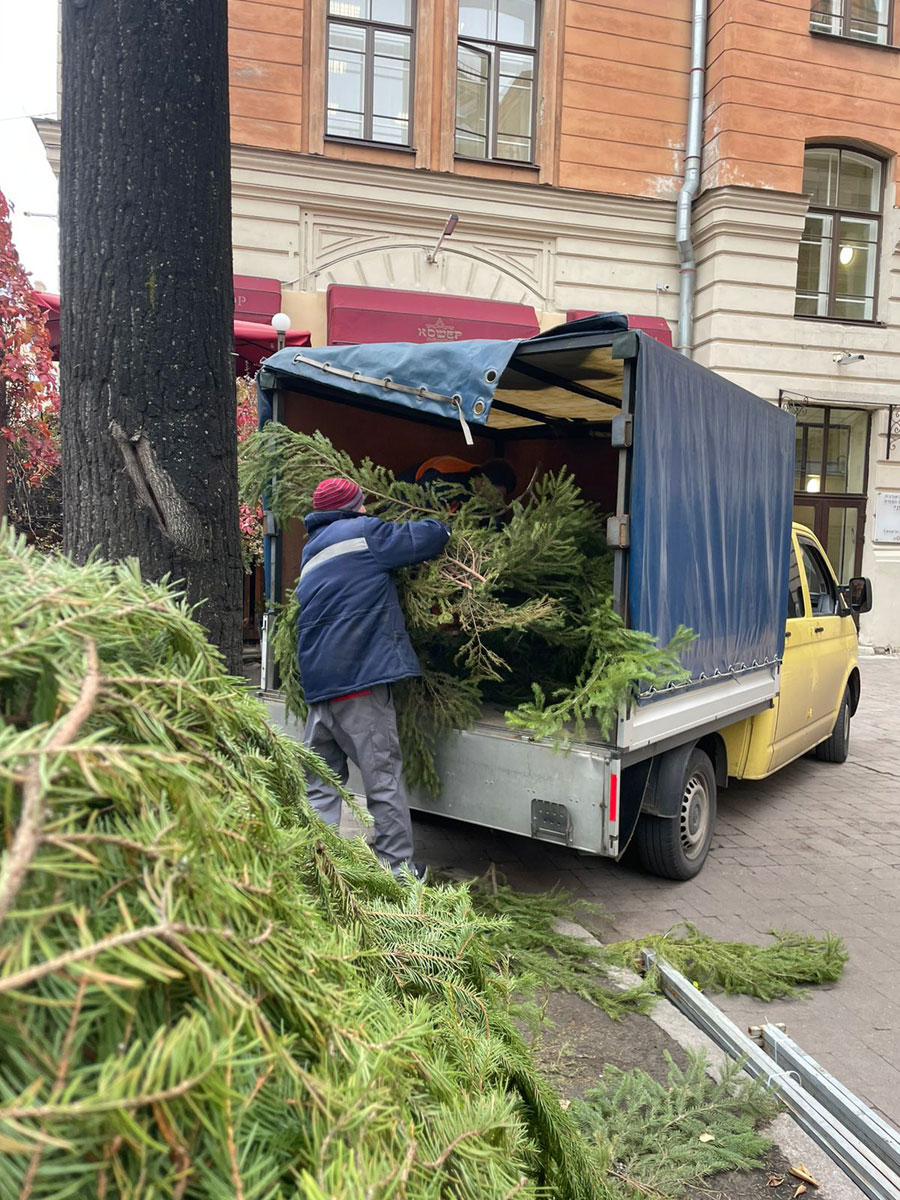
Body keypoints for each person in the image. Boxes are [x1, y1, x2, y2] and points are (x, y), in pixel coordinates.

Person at [296, 475, 450, 877]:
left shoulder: (310, 550)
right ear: (353, 507)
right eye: (363, 504)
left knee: (321, 785)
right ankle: (397, 872)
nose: (367, 509)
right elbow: (424, 539)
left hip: (318, 688)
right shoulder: (365, 533)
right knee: (382, 780)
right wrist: (445, 523)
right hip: (358, 683)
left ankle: (318, 867)